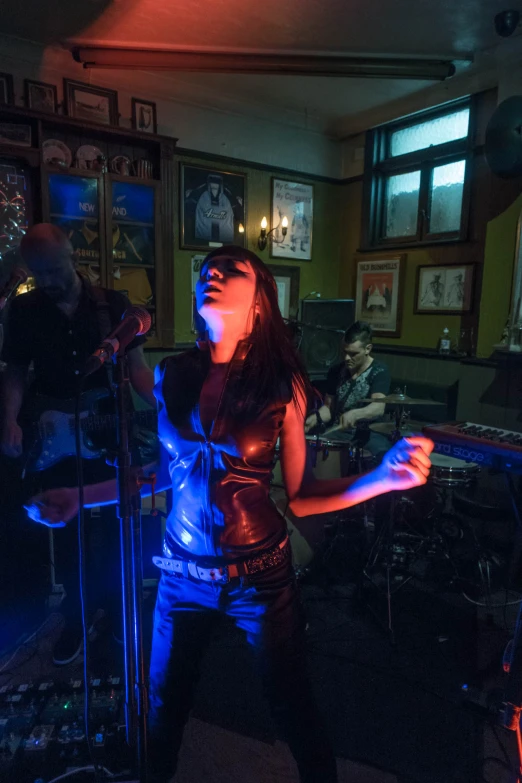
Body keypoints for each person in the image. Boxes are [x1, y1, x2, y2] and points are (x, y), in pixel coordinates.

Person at [25, 246, 433, 783]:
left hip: (260, 577)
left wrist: (382, 478)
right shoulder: (174, 375)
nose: (211, 275)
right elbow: (168, 472)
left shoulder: (282, 386)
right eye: (205, 272)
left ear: (259, 302)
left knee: (292, 707)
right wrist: (83, 496)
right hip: (179, 574)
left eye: (230, 271)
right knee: (161, 709)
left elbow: (303, 494)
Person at [0, 223, 155, 665]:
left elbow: (139, 369)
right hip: (53, 441)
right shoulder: (25, 310)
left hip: (110, 436)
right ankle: (76, 616)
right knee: (66, 536)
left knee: (117, 532)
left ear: (73, 256)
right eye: (38, 273)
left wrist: (167, 404)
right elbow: (14, 371)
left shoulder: (113, 305)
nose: (47, 281)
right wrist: (9, 419)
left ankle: (121, 614)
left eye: (53, 270)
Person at [305, 321, 390, 460]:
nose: (346, 358)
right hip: (339, 431)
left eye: (353, 354)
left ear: (368, 349)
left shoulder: (379, 371)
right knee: (312, 446)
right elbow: (328, 407)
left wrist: (356, 414)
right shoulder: (335, 371)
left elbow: (378, 407)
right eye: (344, 352)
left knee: (383, 453)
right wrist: (315, 418)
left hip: (369, 434)